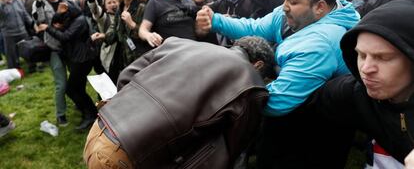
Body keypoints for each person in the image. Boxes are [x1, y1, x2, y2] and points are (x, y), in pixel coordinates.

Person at [196, 0, 360, 168]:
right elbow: (254, 27)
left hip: (315, 135)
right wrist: (215, 20)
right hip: (290, 120)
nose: (284, 7)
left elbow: (277, 101)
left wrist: (221, 98)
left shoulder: (319, 44)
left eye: (293, 1)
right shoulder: (292, 16)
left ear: (320, 7)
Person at [83, 36, 275, 169]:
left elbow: (126, 75)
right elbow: (232, 148)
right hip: (125, 153)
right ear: (258, 65)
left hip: (100, 127)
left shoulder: (180, 43)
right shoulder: (250, 81)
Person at [308, 0, 414, 168]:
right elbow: (312, 103)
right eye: (361, 55)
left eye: (382, 57)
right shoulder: (356, 92)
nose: (366, 68)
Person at [37, 0, 98, 130]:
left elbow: (66, 36)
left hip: (82, 60)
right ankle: (90, 113)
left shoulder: (80, 20)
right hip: (78, 59)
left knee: (71, 89)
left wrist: (48, 28)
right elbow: (57, 23)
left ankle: (90, 114)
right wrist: (58, 13)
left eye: (65, 9)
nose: (63, 11)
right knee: (78, 89)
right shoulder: (72, 19)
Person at [91, 0, 150, 83]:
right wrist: (103, 35)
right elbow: (113, 31)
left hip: (142, 59)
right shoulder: (120, 8)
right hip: (126, 59)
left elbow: (148, 34)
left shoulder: (143, 7)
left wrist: (131, 23)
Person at [32, 0, 73, 126]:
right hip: (54, 48)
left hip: (70, 46)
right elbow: (39, 23)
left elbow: (77, 16)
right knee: (61, 83)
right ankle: (61, 114)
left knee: (76, 80)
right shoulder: (40, 4)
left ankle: (80, 104)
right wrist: (37, 1)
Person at [0, 0, 33, 70]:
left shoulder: (17, 1)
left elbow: (25, 14)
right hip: (9, 34)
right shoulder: (1, 4)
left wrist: (32, 24)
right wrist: (3, 3)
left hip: (22, 31)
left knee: (28, 50)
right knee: (11, 55)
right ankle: (14, 71)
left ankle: (32, 67)